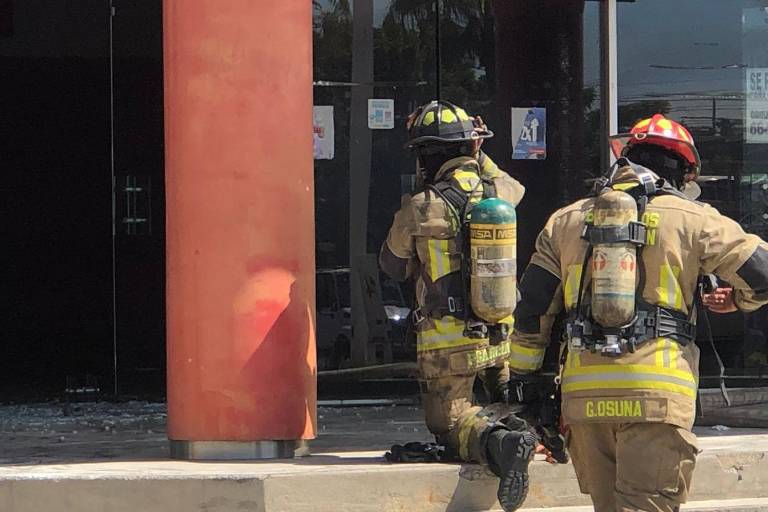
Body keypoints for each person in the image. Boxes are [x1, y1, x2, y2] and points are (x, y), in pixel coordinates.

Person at [507, 114, 768, 512]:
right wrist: (740, 301)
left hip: (585, 400)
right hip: (657, 397)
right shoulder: (697, 220)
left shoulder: (565, 221)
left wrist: (522, 385)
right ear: (683, 171)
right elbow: (763, 274)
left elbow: (532, 311)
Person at [380, 100, 536, 511]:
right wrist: (478, 150)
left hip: (446, 342)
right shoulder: (498, 191)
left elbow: (392, 264)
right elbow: (516, 186)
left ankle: (502, 443)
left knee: (450, 427)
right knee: (498, 399)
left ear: (425, 156)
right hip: (499, 330)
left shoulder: (420, 206)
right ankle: (517, 429)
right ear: (470, 147)